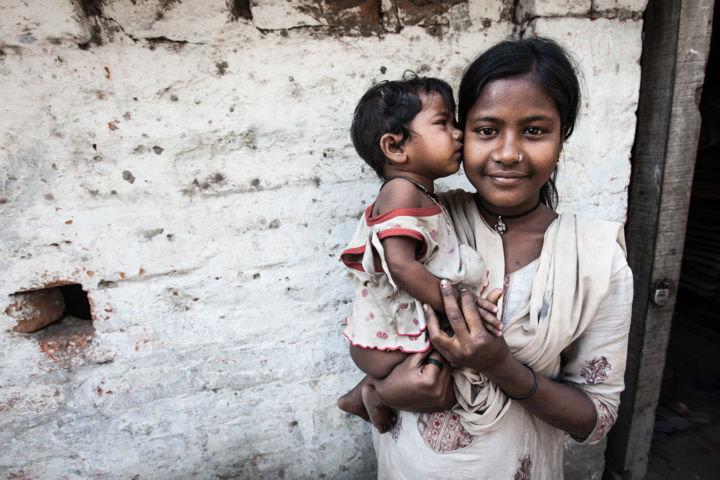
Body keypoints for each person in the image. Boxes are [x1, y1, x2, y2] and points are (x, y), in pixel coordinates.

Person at [357, 37, 634, 479]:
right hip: (408, 466)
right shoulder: (423, 224)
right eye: (487, 130)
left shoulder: (597, 259)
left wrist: (500, 366)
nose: (508, 153)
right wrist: (384, 388)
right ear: (461, 133)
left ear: (563, 135)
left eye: (535, 130)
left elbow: (595, 417)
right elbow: (378, 321)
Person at [337, 75, 497, 434]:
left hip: (402, 338)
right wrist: (454, 305)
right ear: (395, 147)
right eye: (443, 123)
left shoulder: (422, 194)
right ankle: (372, 393)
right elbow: (400, 263)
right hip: (392, 340)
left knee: (448, 387)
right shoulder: (399, 191)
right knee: (444, 394)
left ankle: (363, 393)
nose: (458, 133)